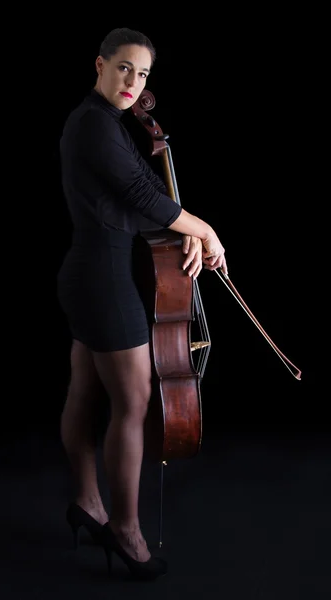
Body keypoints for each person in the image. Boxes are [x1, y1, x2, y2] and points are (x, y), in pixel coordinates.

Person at [56, 27, 227, 580]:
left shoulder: (100, 122)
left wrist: (181, 234)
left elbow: (127, 206)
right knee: (133, 400)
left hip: (87, 273)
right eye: (124, 68)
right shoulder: (94, 125)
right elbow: (141, 195)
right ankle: (126, 533)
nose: (134, 82)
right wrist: (204, 230)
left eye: (144, 74)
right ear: (100, 64)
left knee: (85, 391)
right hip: (101, 280)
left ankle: (87, 502)